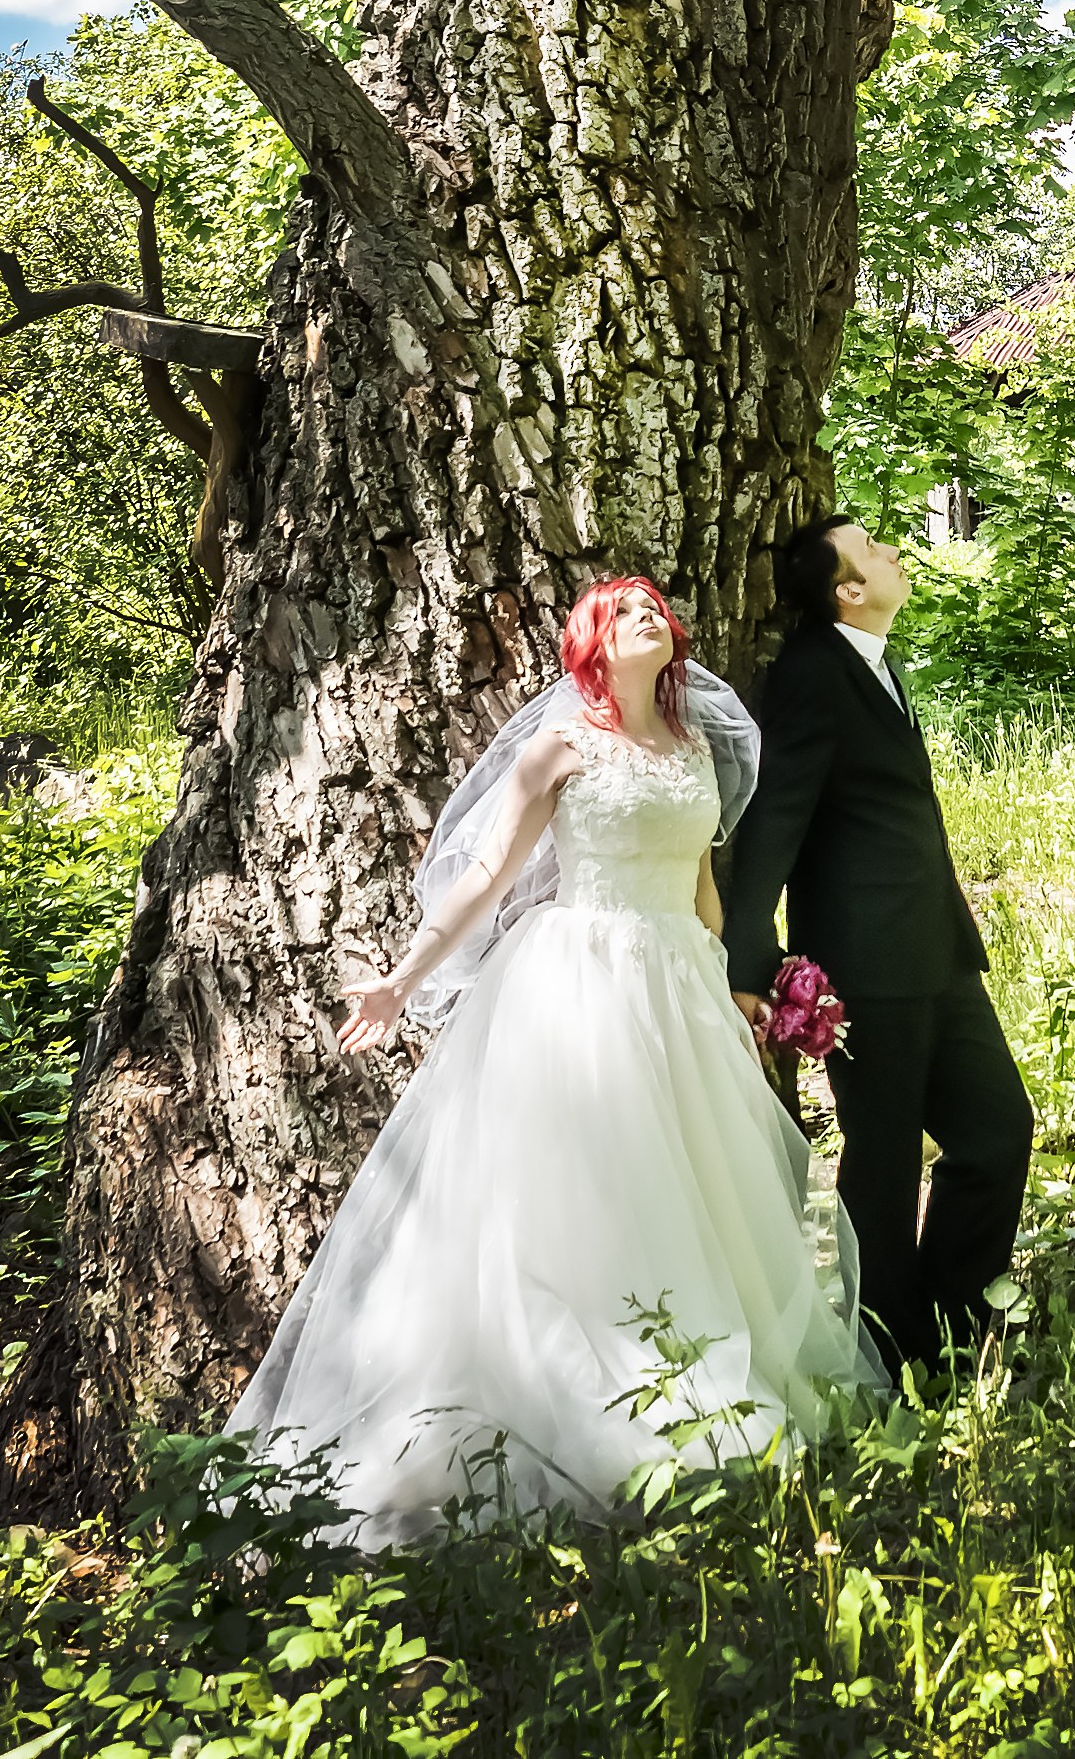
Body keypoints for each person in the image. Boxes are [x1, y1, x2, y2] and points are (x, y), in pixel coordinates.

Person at [228, 570, 883, 1543]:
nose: (645, 615)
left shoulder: (695, 743)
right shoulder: (559, 744)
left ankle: (690, 1377)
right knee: (588, 1192)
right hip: (580, 987)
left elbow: (703, 886)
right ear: (589, 641)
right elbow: (488, 873)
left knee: (688, 1190)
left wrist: (754, 987)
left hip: (680, 988)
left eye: (654, 605)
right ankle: (577, 1400)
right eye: (621, 610)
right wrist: (400, 979)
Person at [722, 516, 1034, 1377]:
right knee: (886, 1165)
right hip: (865, 968)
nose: (893, 552)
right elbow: (773, 821)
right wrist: (753, 962)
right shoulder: (814, 676)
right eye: (873, 551)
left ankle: (956, 1329)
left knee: (998, 1131)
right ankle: (894, 1360)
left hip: (937, 953)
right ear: (846, 592)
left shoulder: (877, 662)